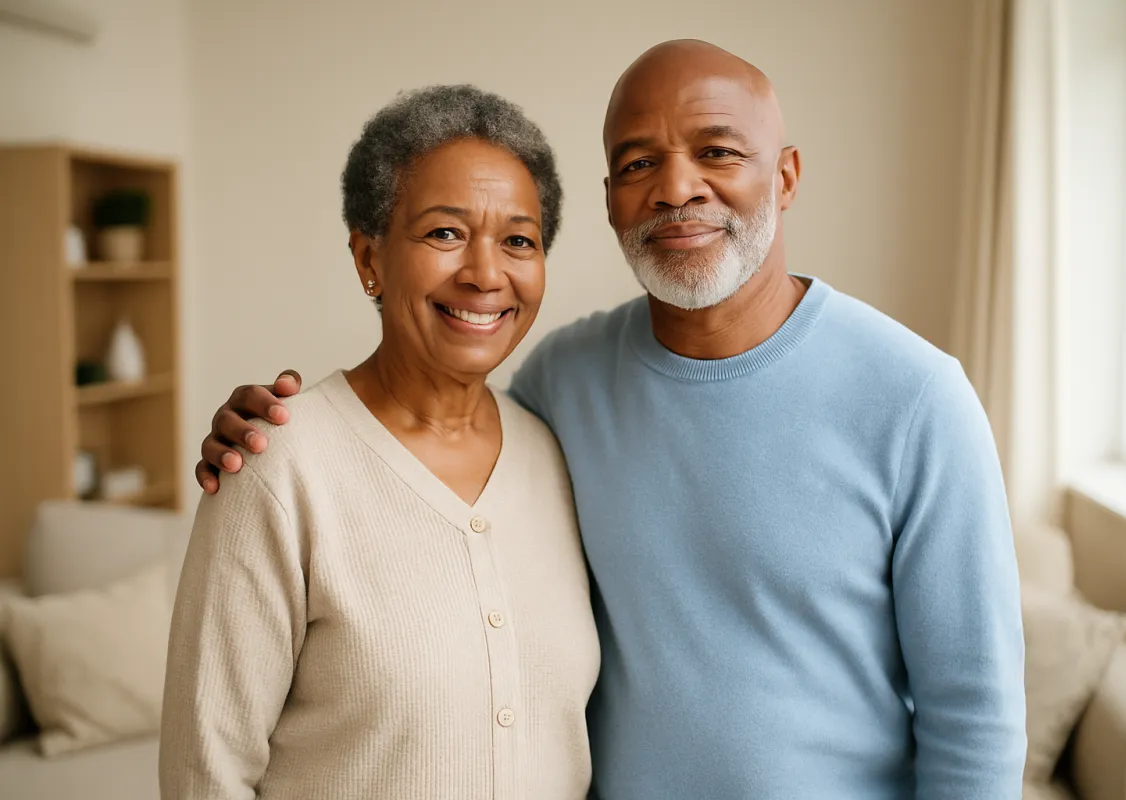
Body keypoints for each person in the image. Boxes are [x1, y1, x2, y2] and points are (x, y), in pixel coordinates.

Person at [193, 41, 1027, 799]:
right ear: (608, 200)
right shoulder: (563, 384)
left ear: (786, 175)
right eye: (638, 163)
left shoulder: (918, 398)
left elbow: (976, 718)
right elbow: (408, 462)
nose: (675, 187)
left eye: (717, 152)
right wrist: (269, 436)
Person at [160, 85, 600, 800]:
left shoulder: (556, 456)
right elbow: (205, 770)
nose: (486, 274)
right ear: (369, 259)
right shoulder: (278, 468)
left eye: (518, 240)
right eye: (445, 233)